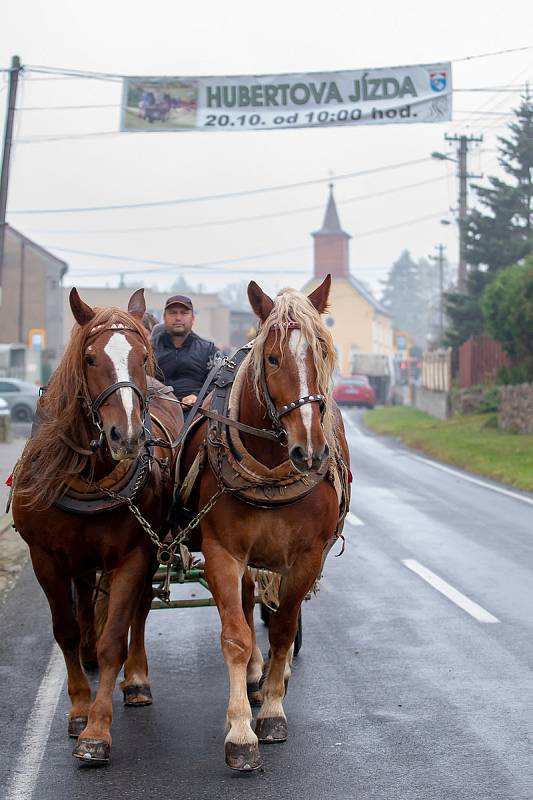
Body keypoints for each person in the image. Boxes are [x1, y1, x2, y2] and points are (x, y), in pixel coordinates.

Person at [151, 294, 219, 407]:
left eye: (184, 313)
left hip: (198, 413)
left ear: (193, 318)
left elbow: (220, 382)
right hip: (156, 412)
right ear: (164, 317)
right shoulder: (148, 349)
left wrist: (198, 397)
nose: (178, 318)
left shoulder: (209, 350)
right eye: (173, 313)